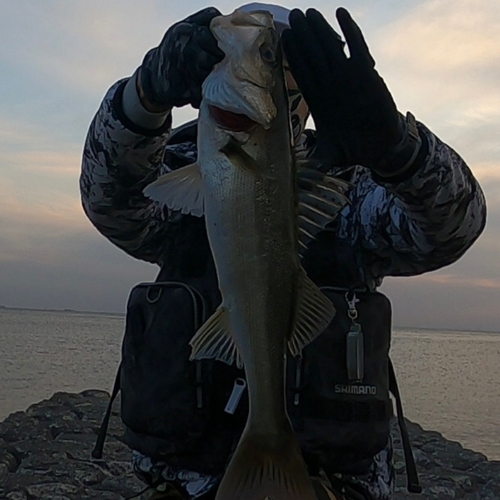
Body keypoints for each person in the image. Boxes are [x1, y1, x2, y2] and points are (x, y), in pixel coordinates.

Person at [80, 3, 486, 500]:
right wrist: (141, 97)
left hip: (329, 487)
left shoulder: (353, 190)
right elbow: (109, 201)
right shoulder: (177, 172)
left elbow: (455, 227)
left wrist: (397, 147)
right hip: (182, 485)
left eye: (277, 61)